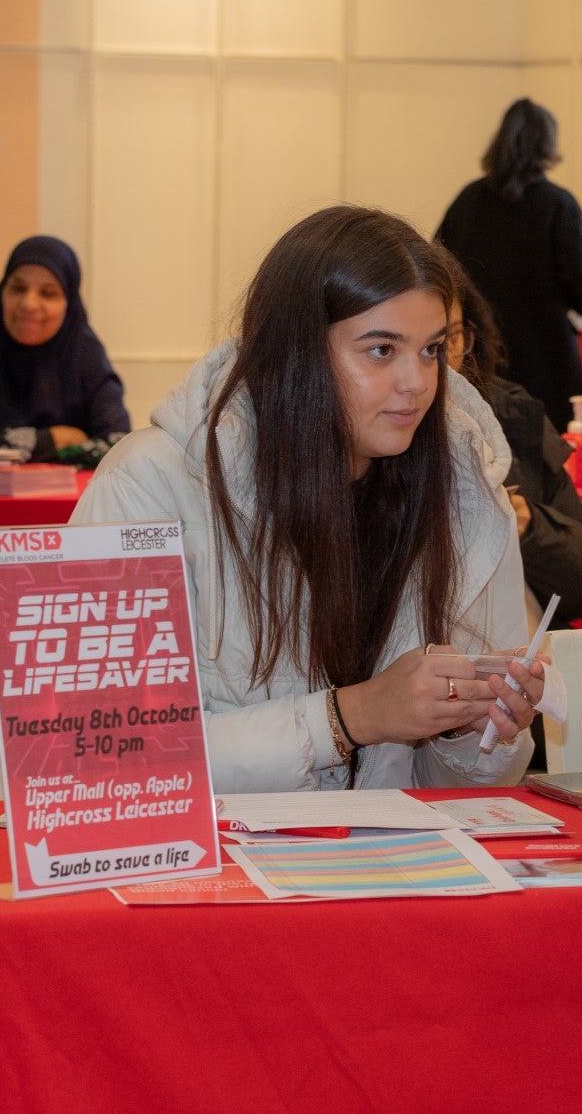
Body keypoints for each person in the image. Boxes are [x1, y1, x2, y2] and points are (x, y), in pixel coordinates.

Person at [72, 206, 547, 793]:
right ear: (293, 352)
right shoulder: (150, 483)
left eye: (431, 350)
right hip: (212, 868)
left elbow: (463, 796)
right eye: (381, 350)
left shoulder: (463, 496)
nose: (418, 383)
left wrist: (468, 730)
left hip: (384, 866)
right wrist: (349, 718)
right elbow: (106, 760)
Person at [437, 251, 582, 628]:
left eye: (446, 340)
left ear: (469, 339)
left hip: (522, 664)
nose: (429, 365)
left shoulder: (507, 417)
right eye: (388, 350)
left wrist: (525, 523)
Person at [434, 98, 582, 424]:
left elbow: (436, 270)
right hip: (546, 362)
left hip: (479, 357)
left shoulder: (468, 200)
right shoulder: (559, 205)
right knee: (552, 462)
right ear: (548, 146)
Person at [0, 236, 131, 469]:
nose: (29, 304)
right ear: (2, 291)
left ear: (69, 303)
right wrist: (56, 439)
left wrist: (15, 449)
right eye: (18, 288)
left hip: (70, 505)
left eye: (48, 293)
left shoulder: (85, 352)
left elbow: (119, 444)